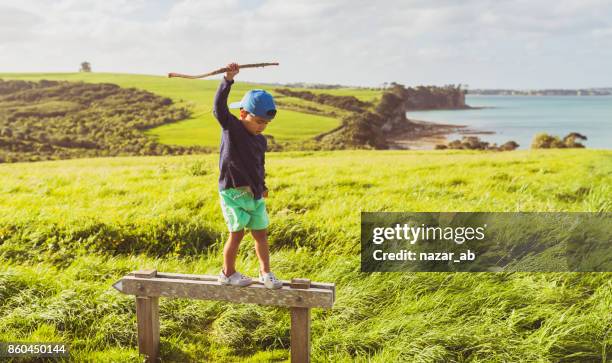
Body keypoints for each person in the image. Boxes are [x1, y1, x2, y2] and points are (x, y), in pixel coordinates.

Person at [213, 62, 282, 289]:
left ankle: (265, 273)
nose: (262, 127)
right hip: (233, 192)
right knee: (237, 233)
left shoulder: (260, 140)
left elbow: (258, 165)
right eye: (259, 121)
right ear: (243, 113)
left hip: (254, 195)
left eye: (266, 123)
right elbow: (219, 109)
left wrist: (262, 185)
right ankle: (227, 273)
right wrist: (228, 80)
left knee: (261, 234)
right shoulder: (231, 129)